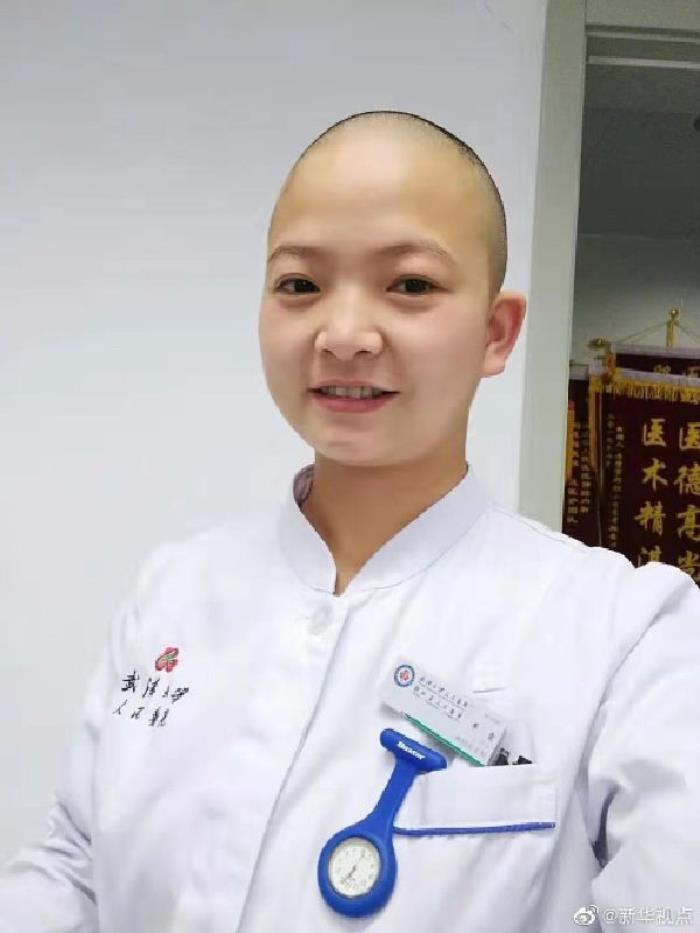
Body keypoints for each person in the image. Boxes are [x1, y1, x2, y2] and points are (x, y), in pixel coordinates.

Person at [1, 109, 699, 933]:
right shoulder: (177, 589)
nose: (343, 335)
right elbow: (76, 866)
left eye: (410, 285)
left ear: (495, 332)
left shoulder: (627, 634)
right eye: (300, 284)